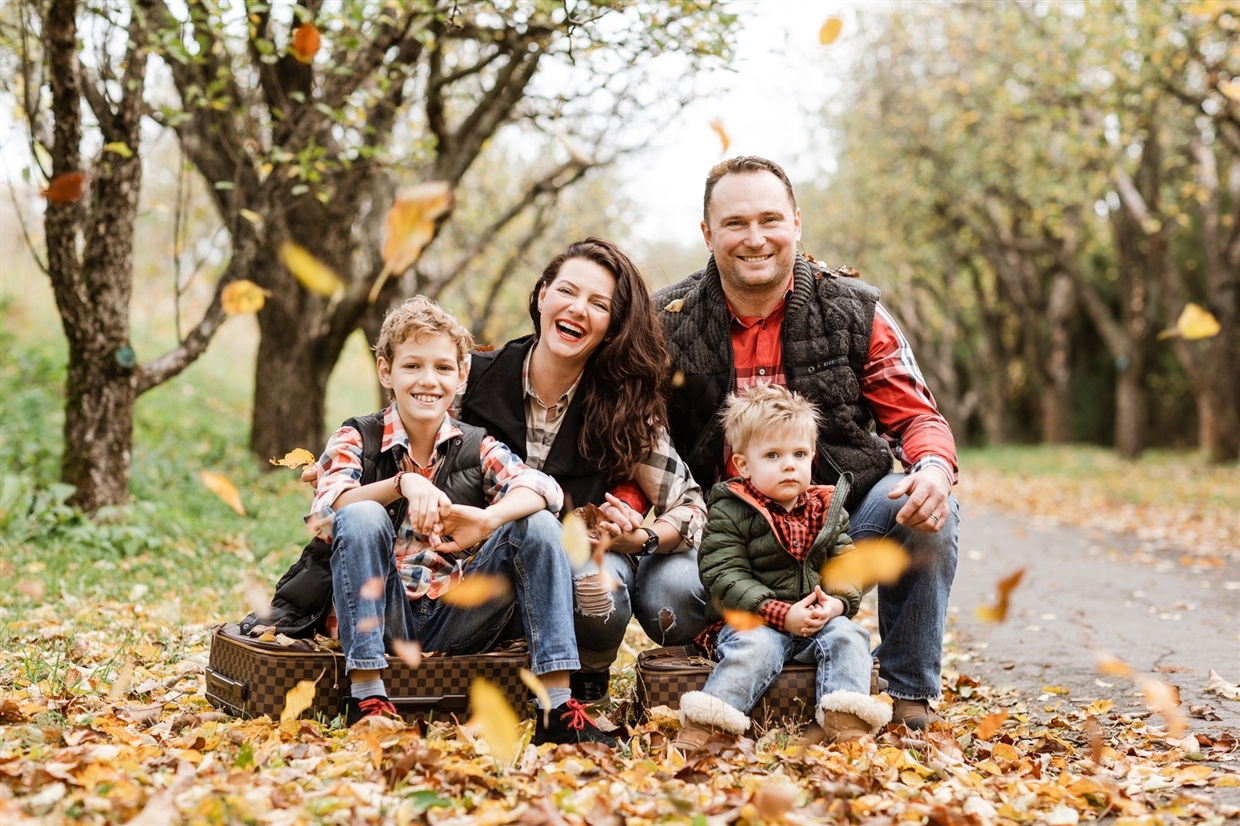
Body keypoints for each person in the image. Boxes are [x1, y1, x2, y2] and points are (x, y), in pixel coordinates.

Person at [654, 156, 960, 729]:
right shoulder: (664, 321)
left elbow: (919, 417)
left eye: (770, 219)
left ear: (796, 222)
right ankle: (761, 662)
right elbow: (635, 442)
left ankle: (910, 698)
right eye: (735, 222)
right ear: (707, 233)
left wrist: (935, 471)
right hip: (725, 538)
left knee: (924, 507)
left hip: (838, 530)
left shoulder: (853, 308)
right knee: (664, 595)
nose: (755, 238)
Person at [280, 296, 615, 745]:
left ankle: (556, 709)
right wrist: (403, 484)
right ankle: (367, 699)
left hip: (457, 611)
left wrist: (487, 517)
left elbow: (547, 490)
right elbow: (328, 509)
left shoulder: (476, 445)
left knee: (537, 524)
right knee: (360, 513)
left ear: (460, 378)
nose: (427, 380)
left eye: (442, 368)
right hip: (383, 611)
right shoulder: (357, 435)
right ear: (386, 372)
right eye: (412, 366)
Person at [457, 238, 708, 703]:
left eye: (599, 304)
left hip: (576, 568)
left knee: (602, 584)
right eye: (567, 292)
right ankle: (494, 672)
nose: (578, 309)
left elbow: (690, 504)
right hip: (473, 564)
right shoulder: (470, 378)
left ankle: (587, 681)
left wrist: (642, 539)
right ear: (541, 295)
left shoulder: (624, 404)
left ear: (612, 327)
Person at [676, 384, 891, 749]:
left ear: (812, 457)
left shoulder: (825, 508)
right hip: (753, 619)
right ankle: (706, 727)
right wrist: (778, 612)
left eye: (799, 454)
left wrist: (836, 604)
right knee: (756, 648)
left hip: (813, 621)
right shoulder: (731, 509)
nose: (789, 464)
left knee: (849, 637)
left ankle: (847, 723)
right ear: (743, 465)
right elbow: (723, 575)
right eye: (773, 455)